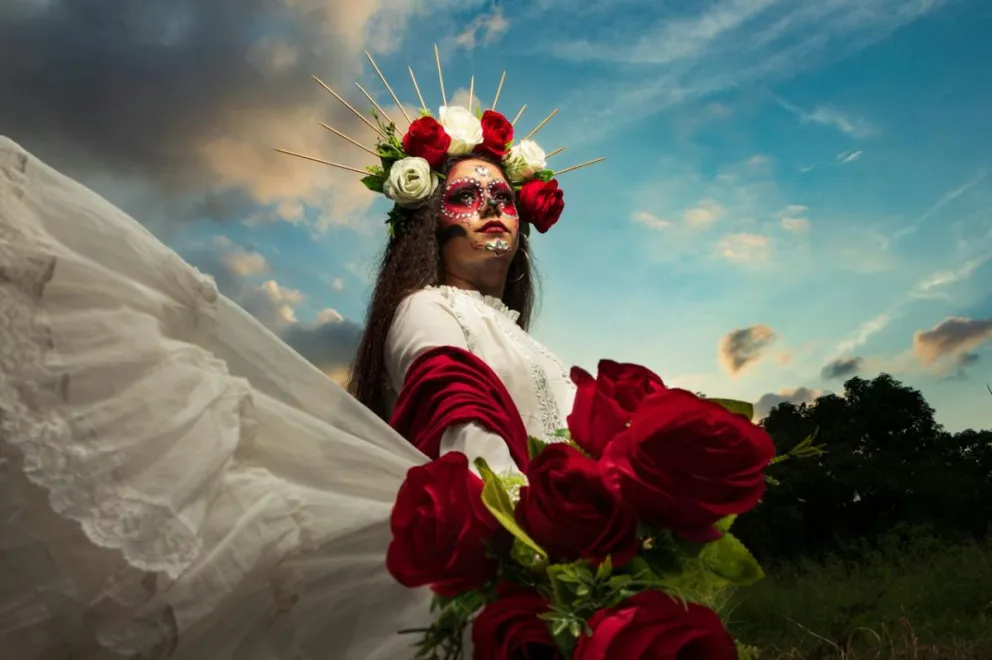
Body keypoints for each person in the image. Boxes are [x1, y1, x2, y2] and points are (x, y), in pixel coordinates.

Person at [0, 56, 599, 658]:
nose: (493, 208)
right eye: (467, 196)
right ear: (428, 223)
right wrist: (533, 549)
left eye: (503, 196)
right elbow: (464, 428)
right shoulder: (426, 309)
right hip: (510, 564)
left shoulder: (525, 340)